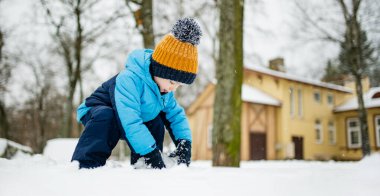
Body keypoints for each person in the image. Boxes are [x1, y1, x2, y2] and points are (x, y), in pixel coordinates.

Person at [71, 18, 202, 169]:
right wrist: (150, 152)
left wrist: (184, 142)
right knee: (106, 116)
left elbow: (176, 116)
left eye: (179, 85)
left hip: (132, 118)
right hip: (99, 111)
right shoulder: (130, 79)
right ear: (160, 70)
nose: (174, 88)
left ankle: (144, 165)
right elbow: (130, 120)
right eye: (172, 82)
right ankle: (85, 164)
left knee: (155, 121)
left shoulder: (164, 90)